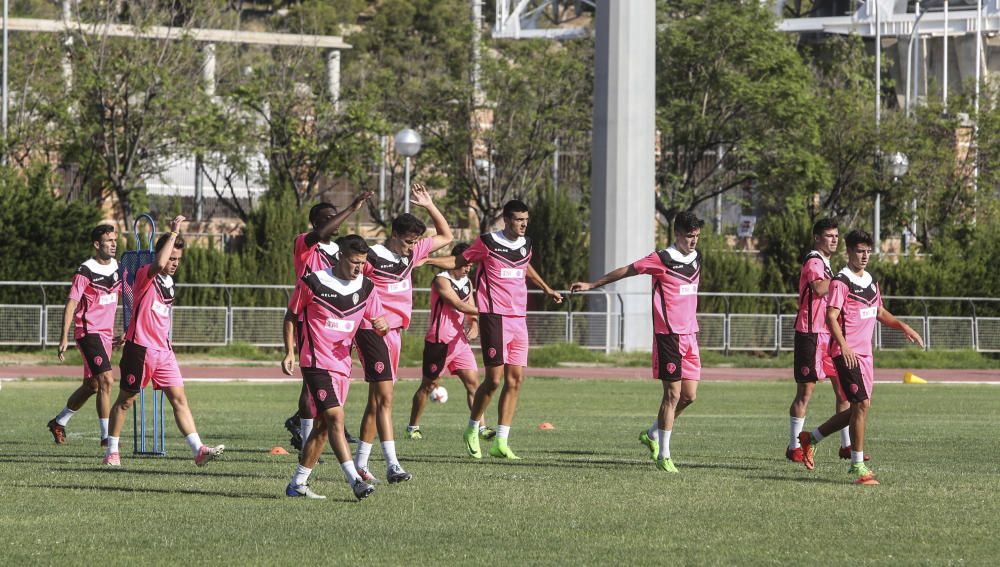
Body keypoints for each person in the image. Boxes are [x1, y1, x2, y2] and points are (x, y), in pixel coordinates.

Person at [571, 211, 705, 473]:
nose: (693, 241)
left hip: (691, 335)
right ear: (677, 234)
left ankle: (653, 433)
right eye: (689, 236)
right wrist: (593, 284)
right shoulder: (661, 258)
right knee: (672, 394)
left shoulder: (697, 257)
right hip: (668, 336)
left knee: (689, 396)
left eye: (697, 236)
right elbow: (627, 270)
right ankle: (664, 455)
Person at [798, 230, 923, 485]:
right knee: (861, 405)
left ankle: (812, 438)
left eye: (868, 250)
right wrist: (843, 346)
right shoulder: (841, 281)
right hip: (846, 353)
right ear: (849, 252)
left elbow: (879, 311)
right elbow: (830, 316)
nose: (864, 255)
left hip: (866, 355)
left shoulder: (870, 280)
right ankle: (857, 466)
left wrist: (904, 327)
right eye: (859, 250)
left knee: (860, 407)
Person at [102, 216, 224, 467]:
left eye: (178, 259)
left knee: (180, 399)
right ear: (162, 254)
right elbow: (157, 263)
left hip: (164, 352)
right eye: (171, 257)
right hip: (140, 350)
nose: (174, 263)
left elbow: (155, 315)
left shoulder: (170, 284)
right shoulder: (146, 274)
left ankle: (198, 450)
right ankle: (112, 452)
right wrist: (174, 232)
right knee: (125, 401)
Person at [353, 184, 453, 483]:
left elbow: (448, 236)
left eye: (415, 242)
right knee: (385, 397)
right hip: (372, 330)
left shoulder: (413, 251)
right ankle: (393, 464)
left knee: (377, 400)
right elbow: (352, 285)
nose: (413, 248)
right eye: (409, 241)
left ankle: (360, 464)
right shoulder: (371, 256)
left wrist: (430, 205)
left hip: (395, 333)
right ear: (395, 235)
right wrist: (371, 316)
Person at [282, 235, 389, 500]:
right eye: (354, 262)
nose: (359, 268)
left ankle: (298, 484)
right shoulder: (313, 282)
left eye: (363, 263)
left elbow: (377, 318)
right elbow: (291, 316)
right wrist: (289, 352)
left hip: (342, 366)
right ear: (340, 256)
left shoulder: (366, 287)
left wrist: (382, 326)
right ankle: (355, 480)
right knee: (336, 418)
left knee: (322, 428)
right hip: (316, 362)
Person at [458, 199, 563, 460]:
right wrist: (423, 261)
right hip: (495, 317)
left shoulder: (526, 244)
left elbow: (524, 264)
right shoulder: (487, 242)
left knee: (515, 380)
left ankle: (501, 442)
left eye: (526, 219)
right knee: (494, 380)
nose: (523, 224)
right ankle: (473, 429)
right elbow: (460, 259)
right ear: (506, 220)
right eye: (518, 219)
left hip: (519, 318)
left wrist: (546, 288)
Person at [283, 193, 371, 451]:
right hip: (310, 317)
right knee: (310, 381)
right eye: (328, 219)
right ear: (315, 222)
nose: (336, 222)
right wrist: (352, 208)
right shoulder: (305, 244)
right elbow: (321, 234)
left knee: (333, 378)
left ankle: (320, 424)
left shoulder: (339, 250)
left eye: (336, 217)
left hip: (337, 318)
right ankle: (307, 433)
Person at [786, 219, 861, 463]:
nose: (834, 239)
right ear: (817, 238)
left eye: (836, 236)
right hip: (810, 333)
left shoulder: (828, 265)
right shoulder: (814, 261)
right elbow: (818, 289)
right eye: (829, 235)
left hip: (829, 336)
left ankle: (846, 446)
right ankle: (794, 446)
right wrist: (843, 278)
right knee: (805, 393)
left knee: (843, 393)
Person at [404, 242, 492, 440]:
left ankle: (480, 427)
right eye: (464, 264)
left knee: (474, 384)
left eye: (470, 265)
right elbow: (458, 304)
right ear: (454, 262)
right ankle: (413, 427)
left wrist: (475, 325)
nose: (468, 268)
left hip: (459, 343)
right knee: (428, 386)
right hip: (439, 342)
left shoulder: (468, 282)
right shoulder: (441, 280)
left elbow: (470, 308)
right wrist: (490, 312)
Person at [48, 224, 121, 446]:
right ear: (97, 245)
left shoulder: (118, 266)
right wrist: (63, 338)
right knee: (107, 380)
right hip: (88, 332)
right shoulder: (85, 271)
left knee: (93, 386)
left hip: (105, 335)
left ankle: (59, 422)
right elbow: (71, 304)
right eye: (108, 240)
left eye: (115, 239)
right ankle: (106, 437)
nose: (113, 243)